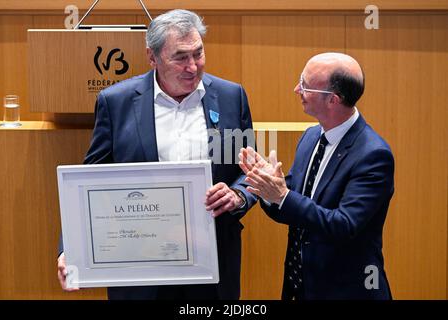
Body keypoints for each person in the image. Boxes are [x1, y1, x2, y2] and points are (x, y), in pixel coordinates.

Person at [57, 9, 256, 300]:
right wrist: (70, 247)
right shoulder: (117, 102)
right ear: (152, 57)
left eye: (198, 54)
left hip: (212, 260)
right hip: (138, 262)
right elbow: (89, 183)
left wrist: (238, 195)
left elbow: (248, 171)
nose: (193, 67)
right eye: (180, 57)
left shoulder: (230, 97)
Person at [239, 52, 394, 300]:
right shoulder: (312, 136)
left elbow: (343, 225)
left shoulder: (373, 155)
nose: (296, 89)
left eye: (305, 85)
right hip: (299, 288)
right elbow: (293, 203)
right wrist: (268, 187)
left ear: (333, 100)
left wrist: (283, 195)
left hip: (345, 291)